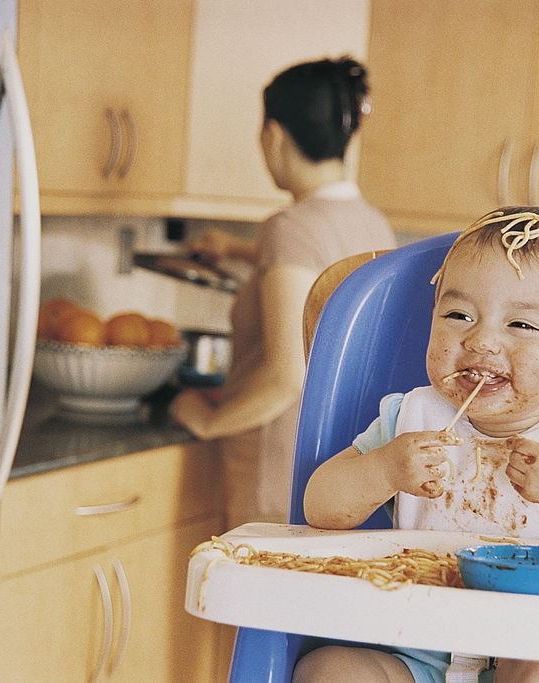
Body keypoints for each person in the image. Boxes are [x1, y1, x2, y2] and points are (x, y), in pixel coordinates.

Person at [294, 206, 539, 683]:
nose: (481, 340)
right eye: (458, 315)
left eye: (521, 325)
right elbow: (319, 507)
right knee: (328, 669)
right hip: (422, 653)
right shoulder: (411, 420)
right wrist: (383, 471)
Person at [169, 57, 397, 529]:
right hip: (339, 467)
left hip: (275, 469)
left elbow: (284, 378)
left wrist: (208, 421)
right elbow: (319, 276)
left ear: (273, 135)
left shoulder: (288, 228)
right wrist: (236, 248)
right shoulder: (371, 223)